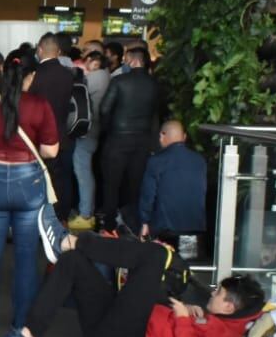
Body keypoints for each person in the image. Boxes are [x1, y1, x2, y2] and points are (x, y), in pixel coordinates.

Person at [0, 233, 265, 337]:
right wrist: (189, 315)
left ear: (230, 306)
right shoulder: (218, 319)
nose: (211, 294)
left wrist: (182, 321)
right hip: (118, 325)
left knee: (155, 257)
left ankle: (72, 239)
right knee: (74, 264)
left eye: (218, 294)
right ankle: (28, 336)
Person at [0, 52, 58, 334]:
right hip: (28, 181)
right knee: (27, 255)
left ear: (4, 72)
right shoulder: (39, 105)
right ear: (31, 76)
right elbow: (50, 150)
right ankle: (22, 323)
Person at [97, 46, 159, 231]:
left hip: (117, 139)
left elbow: (104, 109)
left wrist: (108, 129)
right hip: (142, 141)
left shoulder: (119, 81)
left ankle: (109, 225)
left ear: (132, 60)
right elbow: (156, 115)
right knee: (135, 184)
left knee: (111, 184)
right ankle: (132, 224)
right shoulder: (154, 84)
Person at [31, 33, 79, 221]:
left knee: (42, 179)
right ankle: (62, 218)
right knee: (64, 179)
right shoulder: (68, 75)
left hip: (40, 138)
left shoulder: (36, 75)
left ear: (40, 50)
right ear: (58, 51)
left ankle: (42, 218)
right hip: (63, 135)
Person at [138, 120, 208, 242]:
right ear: (184, 137)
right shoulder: (199, 160)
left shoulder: (156, 161)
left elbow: (147, 196)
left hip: (166, 230)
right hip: (197, 228)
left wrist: (144, 223)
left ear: (161, 136)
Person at [69, 48, 111, 231]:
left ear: (95, 62)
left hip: (88, 131)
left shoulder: (98, 77)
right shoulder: (107, 76)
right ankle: (87, 211)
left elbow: (77, 89)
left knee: (83, 171)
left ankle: (86, 214)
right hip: (95, 130)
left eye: (88, 61)